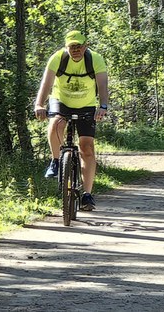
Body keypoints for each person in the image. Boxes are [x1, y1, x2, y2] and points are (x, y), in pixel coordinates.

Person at [33, 30, 109, 211]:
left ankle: (87, 195)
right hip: (61, 101)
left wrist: (103, 106)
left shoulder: (95, 59)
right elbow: (47, 82)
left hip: (87, 104)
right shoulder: (58, 58)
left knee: (87, 148)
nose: (75, 50)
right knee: (56, 123)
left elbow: (103, 84)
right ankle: (56, 160)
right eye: (71, 46)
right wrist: (39, 104)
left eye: (79, 46)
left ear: (85, 46)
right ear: (66, 47)